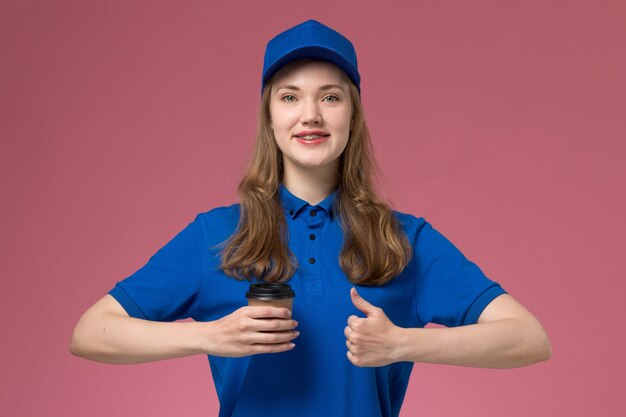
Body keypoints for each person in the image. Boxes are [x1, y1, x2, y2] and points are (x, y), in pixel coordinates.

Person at [70, 19, 552, 417]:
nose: (310, 115)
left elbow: (528, 339)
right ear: (270, 118)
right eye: (289, 97)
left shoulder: (403, 239)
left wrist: (403, 344)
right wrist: (209, 335)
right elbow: (91, 332)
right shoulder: (217, 236)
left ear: (352, 116)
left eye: (330, 97)